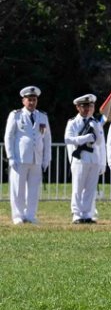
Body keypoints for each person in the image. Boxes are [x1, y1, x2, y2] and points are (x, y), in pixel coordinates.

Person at [5, 86, 51, 224]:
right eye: (29, 99)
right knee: (17, 188)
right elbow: (9, 136)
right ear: (23, 101)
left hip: (36, 158)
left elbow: (47, 139)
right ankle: (18, 215)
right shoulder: (16, 115)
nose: (32, 102)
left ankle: (30, 215)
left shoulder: (42, 116)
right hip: (20, 158)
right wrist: (11, 156)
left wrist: (46, 158)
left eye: (34, 99)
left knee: (34, 189)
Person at [64, 93, 106, 224]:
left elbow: (100, 143)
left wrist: (102, 163)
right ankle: (76, 214)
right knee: (78, 188)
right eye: (84, 106)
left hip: (93, 159)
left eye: (90, 106)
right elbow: (68, 139)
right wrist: (85, 138)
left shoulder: (95, 122)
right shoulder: (73, 122)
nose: (87, 109)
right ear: (78, 107)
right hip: (80, 159)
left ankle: (87, 213)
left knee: (90, 188)